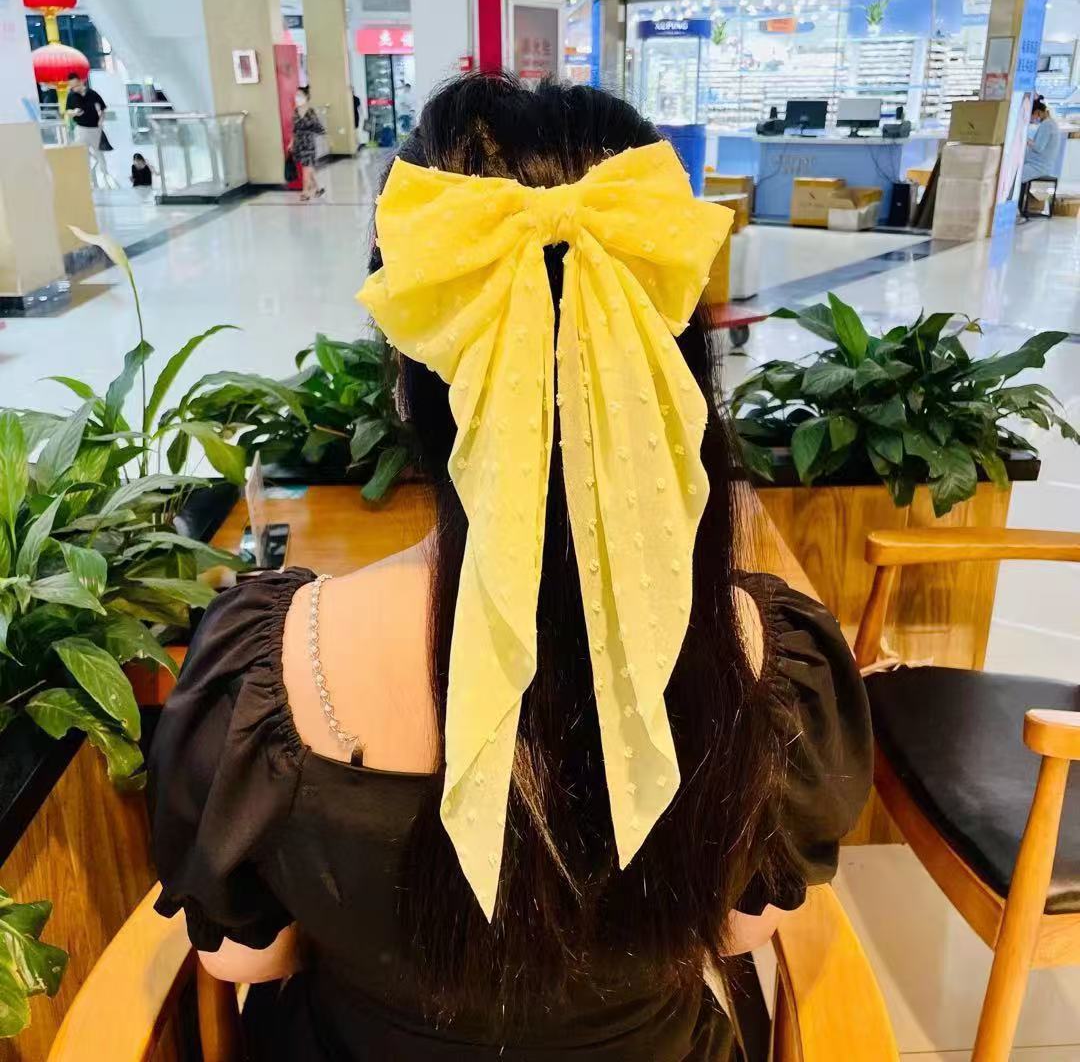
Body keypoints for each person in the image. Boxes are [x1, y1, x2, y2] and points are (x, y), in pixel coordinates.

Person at [150, 73, 871, 1061]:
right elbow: (743, 933)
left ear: (410, 383)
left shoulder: (275, 659)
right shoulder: (758, 649)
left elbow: (245, 957)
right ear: (675, 373)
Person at [65, 72, 109, 186]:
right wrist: (74, 112)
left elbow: (103, 109)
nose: (74, 88)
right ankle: (87, 179)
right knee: (82, 154)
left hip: (94, 128)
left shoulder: (92, 94)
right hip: (81, 129)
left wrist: (100, 121)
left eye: (76, 85)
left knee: (99, 153)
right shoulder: (71, 95)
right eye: (72, 86)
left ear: (81, 82)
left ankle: (105, 176)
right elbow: (68, 111)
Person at [289, 86, 325, 201]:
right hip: (299, 143)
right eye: (296, 95)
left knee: (306, 168)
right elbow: (294, 129)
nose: (297, 98)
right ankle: (317, 189)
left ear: (306, 97)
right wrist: (291, 142)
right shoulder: (295, 111)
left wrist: (312, 132)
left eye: (300, 95)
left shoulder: (311, 112)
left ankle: (305, 192)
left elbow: (320, 129)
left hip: (309, 144)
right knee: (308, 168)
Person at [1022, 95, 1065, 185]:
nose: (1032, 120)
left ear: (1037, 112)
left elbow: (1038, 147)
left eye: (1031, 116)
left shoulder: (1047, 125)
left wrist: (1024, 138)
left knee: (1014, 177)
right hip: (1041, 165)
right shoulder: (1051, 123)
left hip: (1037, 167)